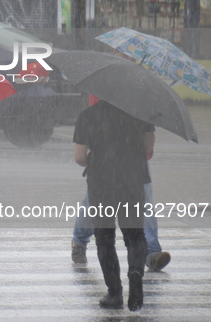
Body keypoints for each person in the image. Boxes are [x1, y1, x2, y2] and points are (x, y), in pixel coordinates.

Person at [71, 95, 171, 272]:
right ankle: (79, 240)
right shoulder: (108, 87)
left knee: (143, 205)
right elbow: (147, 144)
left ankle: (152, 252)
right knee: (92, 204)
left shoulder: (138, 94)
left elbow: (147, 145)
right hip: (116, 160)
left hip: (128, 162)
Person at [73, 99, 154, 311]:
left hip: (101, 183)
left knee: (105, 238)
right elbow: (148, 147)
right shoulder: (139, 113)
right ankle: (135, 271)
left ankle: (115, 293)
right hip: (132, 180)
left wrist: (95, 157)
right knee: (135, 235)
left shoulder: (88, 116)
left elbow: (79, 157)